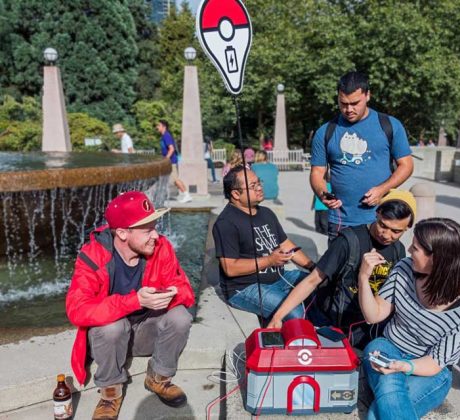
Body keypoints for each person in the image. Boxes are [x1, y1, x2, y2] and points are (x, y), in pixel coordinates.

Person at [65, 191, 195, 420]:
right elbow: (77, 310)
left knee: (181, 317)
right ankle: (110, 394)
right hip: (111, 341)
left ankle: (158, 377)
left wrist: (171, 294)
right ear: (123, 233)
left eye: (155, 226)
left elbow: (185, 289)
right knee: (112, 327)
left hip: (145, 334)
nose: (155, 235)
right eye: (147, 230)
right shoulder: (92, 255)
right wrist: (135, 300)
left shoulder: (161, 247)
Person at [359, 218, 460, 419]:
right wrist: (364, 278)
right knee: (389, 384)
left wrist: (404, 367)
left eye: (415, 248)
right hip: (386, 347)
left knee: (376, 414)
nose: (408, 250)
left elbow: (435, 363)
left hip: (431, 369)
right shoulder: (405, 268)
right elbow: (373, 315)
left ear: (436, 258)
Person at [268, 190, 416, 349]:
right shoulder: (348, 241)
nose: (387, 235)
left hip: (370, 327)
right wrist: (278, 317)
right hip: (335, 326)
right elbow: (313, 280)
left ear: (407, 227)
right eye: (383, 226)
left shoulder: (398, 250)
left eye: (396, 231)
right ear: (377, 213)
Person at [310, 71, 413, 242]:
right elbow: (316, 173)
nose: (349, 109)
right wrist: (323, 194)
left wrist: (382, 189)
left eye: (355, 103)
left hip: (382, 221)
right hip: (341, 221)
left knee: (379, 269)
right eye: (343, 103)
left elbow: (406, 165)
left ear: (368, 95)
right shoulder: (325, 132)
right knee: (342, 269)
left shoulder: (390, 125)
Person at [212, 166, 316, 320]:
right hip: (245, 288)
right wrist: (269, 260)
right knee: (294, 313)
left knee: (320, 284)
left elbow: (287, 245)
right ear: (235, 194)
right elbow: (230, 268)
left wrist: (314, 268)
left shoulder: (266, 213)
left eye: (259, 183)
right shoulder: (226, 223)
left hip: (280, 278)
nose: (260, 188)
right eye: (253, 186)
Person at [156, 120, 191, 203]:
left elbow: (171, 149)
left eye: (158, 125)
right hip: (169, 162)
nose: (157, 127)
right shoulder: (164, 136)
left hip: (171, 162)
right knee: (165, 179)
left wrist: (165, 159)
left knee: (175, 180)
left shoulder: (166, 136)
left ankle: (187, 195)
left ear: (164, 127)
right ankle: (161, 195)